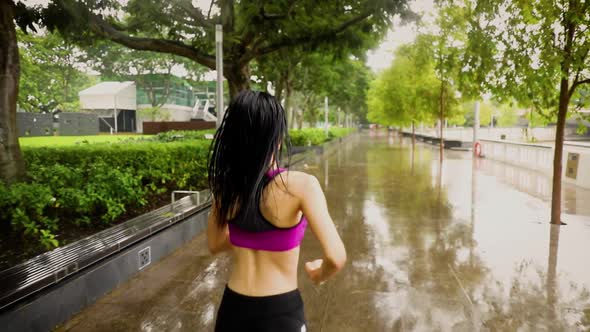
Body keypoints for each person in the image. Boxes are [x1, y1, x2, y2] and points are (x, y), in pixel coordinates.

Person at [207, 90, 346, 332]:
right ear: (277, 138)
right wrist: (319, 273)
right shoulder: (301, 185)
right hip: (279, 313)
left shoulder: (226, 187)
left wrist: (247, 238)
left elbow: (215, 243)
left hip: (233, 309)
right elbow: (336, 257)